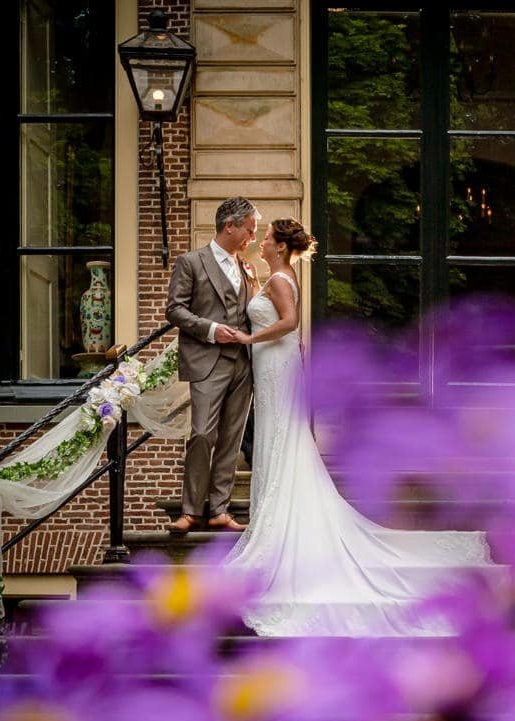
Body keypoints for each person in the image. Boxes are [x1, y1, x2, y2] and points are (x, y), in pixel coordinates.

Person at [221, 218, 495, 636]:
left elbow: (290, 322)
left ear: (279, 247)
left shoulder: (278, 279)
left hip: (273, 362)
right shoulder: (279, 274)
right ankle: (273, 517)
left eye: (266, 238)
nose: (260, 241)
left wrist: (245, 340)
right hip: (276, 363)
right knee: (279, 441)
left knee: (280, 440)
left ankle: (276, 524)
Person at [165, 196, 260, 534]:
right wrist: (211, 330)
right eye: (249, 230)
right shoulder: (191, 262)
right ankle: (191, 510)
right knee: (203, 434)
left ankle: (219, 509)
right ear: (229, 226)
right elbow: (174, 310)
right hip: (207, 360)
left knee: (232, 439)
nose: (252, 237)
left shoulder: (247, 267)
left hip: (243, 365)